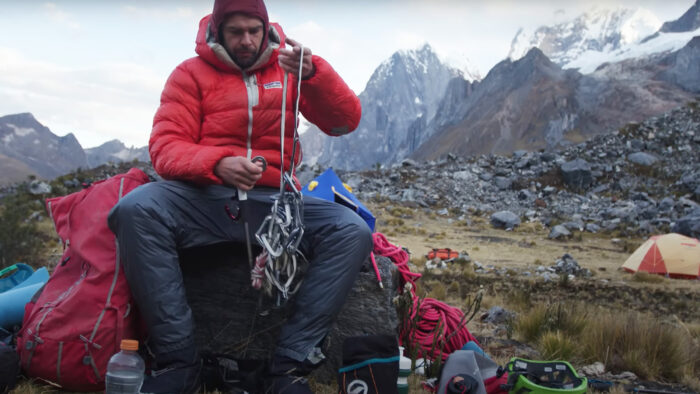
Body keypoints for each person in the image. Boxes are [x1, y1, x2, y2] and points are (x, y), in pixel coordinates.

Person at [107, 0, 371, 392]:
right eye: (236, 32)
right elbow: (164, 149)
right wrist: (218, 163)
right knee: (135, 210)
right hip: (203, 199)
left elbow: (344, 121)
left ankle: (289, 367)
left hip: (274, 205)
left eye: (254, 30)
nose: (247, 40)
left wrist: (315, 74)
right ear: (217, 31)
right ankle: (178, 363)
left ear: (266, 28)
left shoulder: (290, 68)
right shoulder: (188, 75)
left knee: (351, 230)